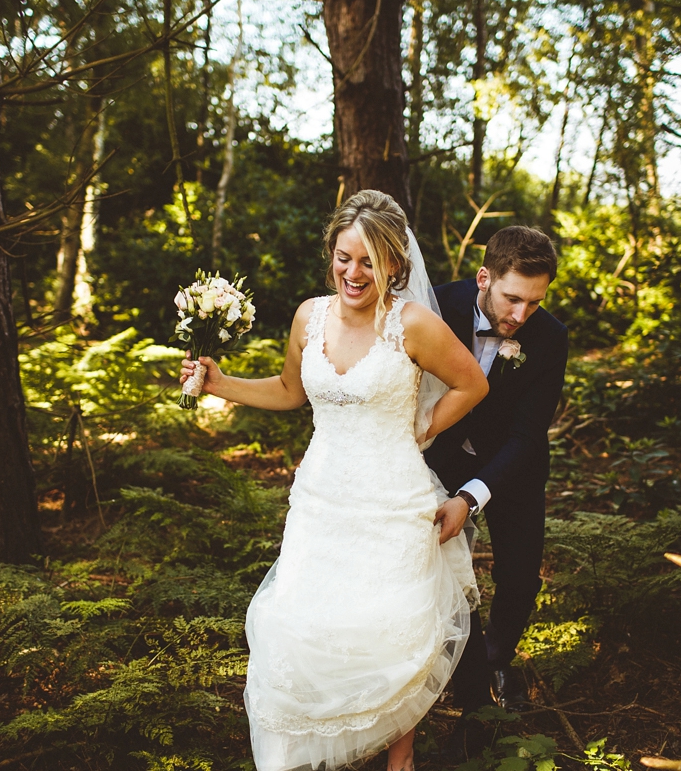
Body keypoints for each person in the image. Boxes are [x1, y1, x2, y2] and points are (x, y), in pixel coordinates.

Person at [179, 190, 488, 771]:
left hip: (392, 499)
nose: (354, 272)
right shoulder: (309, 315)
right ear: (332, 256)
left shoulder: (414, 325)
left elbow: (472, 384)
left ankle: (400, 761)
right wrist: (220, 383)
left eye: (369, 260)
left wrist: (425, 423)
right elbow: (291, 391)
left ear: (395, 264)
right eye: (345, 257)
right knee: (302, 624)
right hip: (321, 498)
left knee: (391, 629)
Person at [423, 226, 569, 730]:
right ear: (485, 277)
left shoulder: (550, 338)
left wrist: (472, 496)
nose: (520, 316)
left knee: (520, 577)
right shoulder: (435, 305)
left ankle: (494, 661)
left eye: (535, 302)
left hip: (513, 467)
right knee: (435, 571)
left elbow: (529, 434)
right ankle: (460, 687)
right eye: (512, 299)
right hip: (437, 459)